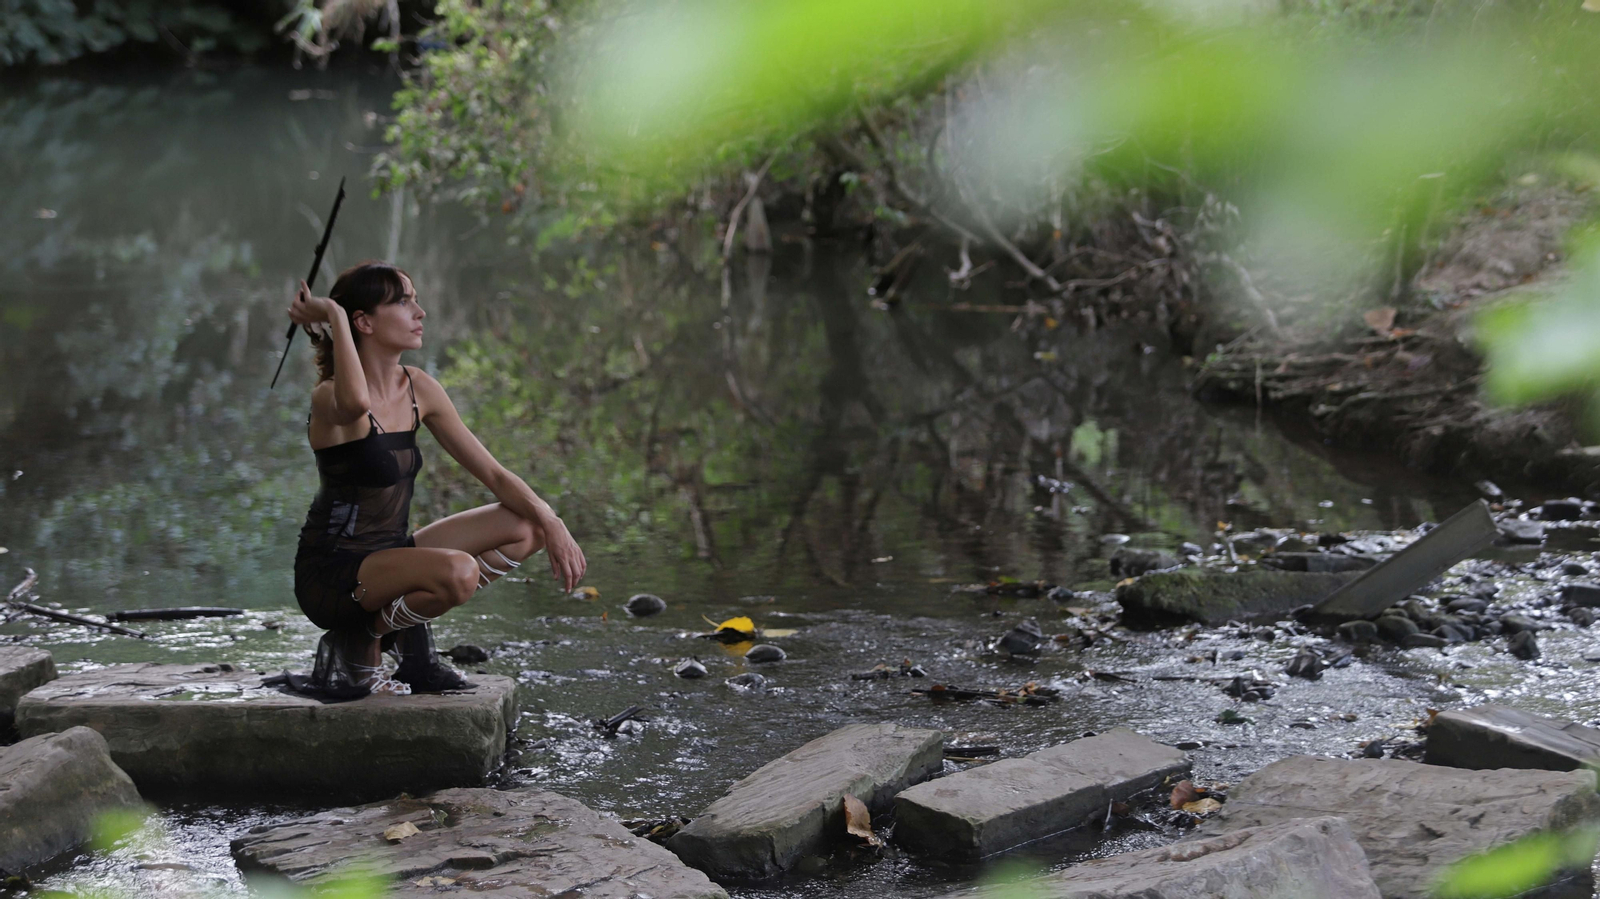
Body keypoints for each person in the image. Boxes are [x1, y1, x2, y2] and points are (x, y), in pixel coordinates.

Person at [286, 261, 586, 696]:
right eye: (404, 301)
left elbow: (495, 475)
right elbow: (356, 403)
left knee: (528, 526)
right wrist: (332, 314)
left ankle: (378, 631)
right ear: (363, 322)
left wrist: (553, 521)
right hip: (334, 573)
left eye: (416, 300)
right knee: (459, 573)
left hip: (392, 554)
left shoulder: (419, 388)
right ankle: (365, 638)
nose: (420, 312)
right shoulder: (330, 397)